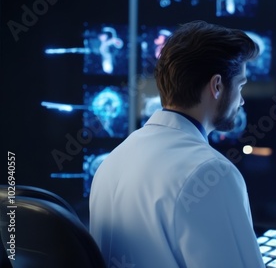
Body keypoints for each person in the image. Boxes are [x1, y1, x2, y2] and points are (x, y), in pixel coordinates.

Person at [89, 20, 265, 268]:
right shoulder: (212, 173)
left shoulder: (113, 161)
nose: (242, 101)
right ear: (216, 86)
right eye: (241, 86)